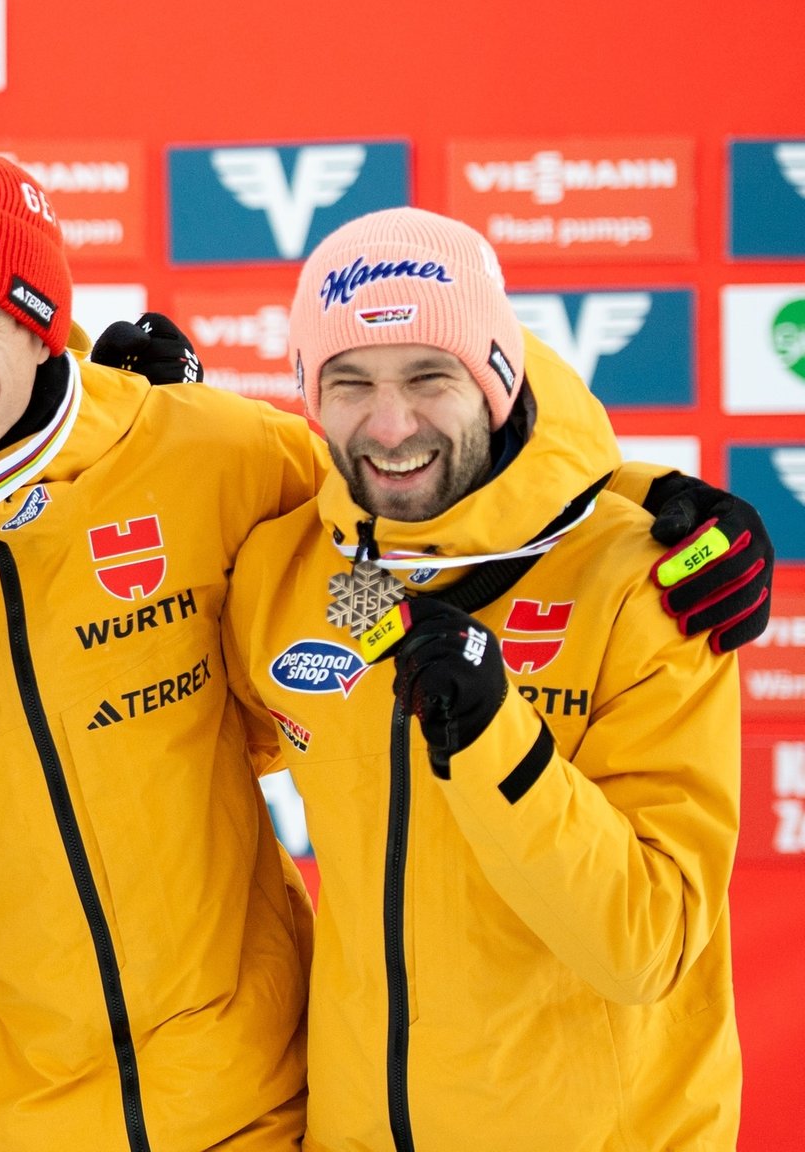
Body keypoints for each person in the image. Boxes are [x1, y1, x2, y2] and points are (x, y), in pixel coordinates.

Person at [0, 150, 772, 1150]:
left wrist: (647, 504)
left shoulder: (210, 457)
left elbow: (438, 488)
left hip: (243, 1106)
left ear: (44, 331)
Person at [222, 207, 742, 1149]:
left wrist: (498, 738)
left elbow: (648, 945)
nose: (390, 424)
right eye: (350, 383)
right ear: (308, 396)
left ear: (498, 380)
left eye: (431, 375)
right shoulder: (283, 573)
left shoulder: (641, 582)